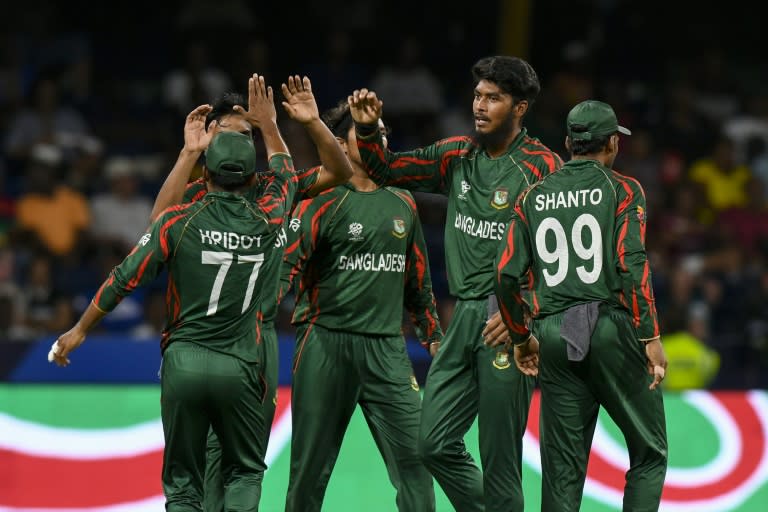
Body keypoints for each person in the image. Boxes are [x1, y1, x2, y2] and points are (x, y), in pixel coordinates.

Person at [48, 74, 298, 511]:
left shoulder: (178, 221)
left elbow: (124, 276)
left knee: (184, 484)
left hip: (183, 362)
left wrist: (79, 329)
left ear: (207, 168)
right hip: (241, 362)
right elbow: (286, 172)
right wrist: (270, 125)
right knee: (243, 472)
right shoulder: (271, 215)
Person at [349, 55, 563, 511]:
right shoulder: (456, 155)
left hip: (508, 317)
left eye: (494, 98)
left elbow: (561, 257)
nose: (480, 106)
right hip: (462, 316)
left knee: (501, 458)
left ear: (520, 108)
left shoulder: (544, 167)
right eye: (478, 96)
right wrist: (368, 131)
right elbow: (386, 169)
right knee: (431, 443)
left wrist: (528, 309)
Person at [148, 74, 353, 512]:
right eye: (230, 132)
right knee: (196, 465)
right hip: (198, 339)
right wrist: (188, 154)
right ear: (208, 136)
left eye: (249, 134)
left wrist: (274, 125)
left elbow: (339, 171)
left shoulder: (271, 191)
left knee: (242, 468)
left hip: (256, 341)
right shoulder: (195, 195)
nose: (242, 141)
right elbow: (154, 231)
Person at [494, 100, 668, 511]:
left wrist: (521, 338)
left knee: (562, 473)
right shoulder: (623, 189)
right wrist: (651, 335)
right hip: (609, 327)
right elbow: (633, 264)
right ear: (611, 144)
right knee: (649, 453)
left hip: (553, 333)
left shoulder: (532, 197)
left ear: (568, 143)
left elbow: (505, 276)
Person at [279, 100, 442, 511]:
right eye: (369, 131)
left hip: (387, 349)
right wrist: (254, 322)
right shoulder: (321, 199)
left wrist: (433, 336)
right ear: (339, 142)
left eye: (384, 132)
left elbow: (417, 280)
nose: (380, 138)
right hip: (325, 344)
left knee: (418, 464)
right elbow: (283, 270)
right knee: (308, 474)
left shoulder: (403, 201)